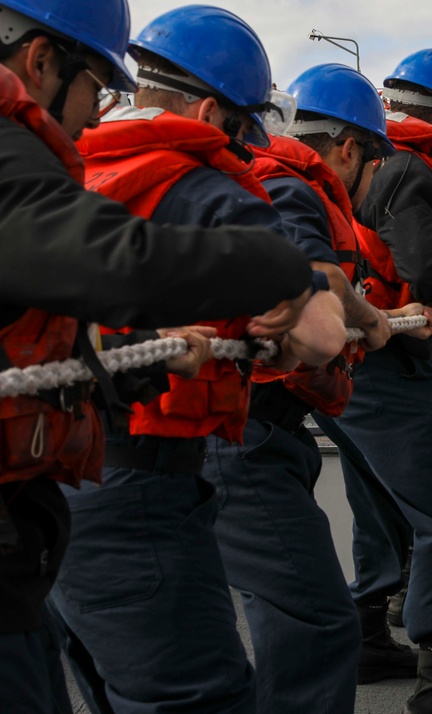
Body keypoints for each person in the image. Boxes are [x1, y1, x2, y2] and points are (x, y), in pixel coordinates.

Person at [0, 1, 316, 710]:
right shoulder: (12, 152)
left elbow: (36, 319)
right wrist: (286, 267)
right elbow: (113, 262)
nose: (94, 114)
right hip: (120, 498)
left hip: (49, 511)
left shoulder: (74, 167)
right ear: (42, 61)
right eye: (94, 86)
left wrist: (142, 353)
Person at [197, 62, 404, 713]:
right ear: (350, 150)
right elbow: (315, 294)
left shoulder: (252, 181)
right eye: (373, 165)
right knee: (315, 622)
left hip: (233, 428)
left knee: (271, 611)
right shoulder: (293, 191)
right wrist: (365, 318)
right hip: (249, 438)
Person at [317, 48, 432, 714]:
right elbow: (426, 263)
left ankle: (370, 637)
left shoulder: (318, 174)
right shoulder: (409, 171)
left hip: (337, 365)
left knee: (376, 502)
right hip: (391, 361)